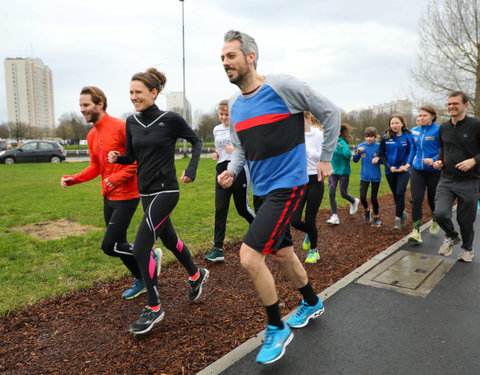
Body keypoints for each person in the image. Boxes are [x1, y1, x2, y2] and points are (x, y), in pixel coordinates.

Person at [218, 30, 340, 365]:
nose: (225, 62)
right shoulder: (234, 105)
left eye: (231, 56)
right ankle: (312, 302)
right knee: (284, 253)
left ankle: (276, 327)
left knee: (249, 256)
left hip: (287, 185)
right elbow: (241, 149)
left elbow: (331, 113)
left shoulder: (282, 86)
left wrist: (326, 156)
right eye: (222, 58)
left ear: (250, 56)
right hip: (262, 191)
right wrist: (232, 169)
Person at [107, 68, 209, 334]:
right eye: (130, 92)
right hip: (145, 193)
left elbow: (196, 142)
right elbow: (133, 156)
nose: (133, 97)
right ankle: (197, 274)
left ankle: (154, 308)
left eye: (138, 92)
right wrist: (119, 158)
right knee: (169, 239)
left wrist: (192, 168)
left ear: (154, 93)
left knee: (142, 248)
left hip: (166, 191)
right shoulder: (131, 122)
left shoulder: (170, 119)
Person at [60, 86, 161, 300]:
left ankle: (148, 254)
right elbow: (95, 167)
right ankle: (142, 279)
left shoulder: (121, 127)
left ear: (100, 104)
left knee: (110, 246)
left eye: (86, 105)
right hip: (108, 197)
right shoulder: (90, 135)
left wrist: (115, 179)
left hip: (127, 195)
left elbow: (139, 160)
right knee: (119, 243)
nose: (82, 109)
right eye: (80, 105)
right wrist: (74, 179)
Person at [204, 99, 255, 262]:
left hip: (238, 169)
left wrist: (236, 149)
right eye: (221, 114)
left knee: (242, 209)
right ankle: (218, 249)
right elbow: (219, 148)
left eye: (227, 114)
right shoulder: (216, 129)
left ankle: (263, 234)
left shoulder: (240, 127)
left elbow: (250, 148)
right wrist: (217, 154)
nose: (224, 117)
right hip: (221, 170)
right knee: (220, 210)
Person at [434, 91, 480, 262]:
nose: (451, 106)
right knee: (440, 213)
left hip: (469, 180)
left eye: (455, 103)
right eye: (449, 104)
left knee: (465, 220)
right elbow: (443, 148)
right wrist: (439, 161)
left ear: (465, 105)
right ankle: (452, 236)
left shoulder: (475, 125)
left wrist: (474, 161)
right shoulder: (443, 127)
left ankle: (467, 249)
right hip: (446, 179)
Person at [291, 111, 325, 264]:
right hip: (299, 180)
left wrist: (308, 151)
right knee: (295, 220)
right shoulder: (294, 134)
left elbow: (324, 156)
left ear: (308, 117)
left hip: (315, 180)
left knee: (310, 218)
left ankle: (314, 250)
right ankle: (309, 233)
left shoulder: (318, 135)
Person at [406, 106, 441, 243]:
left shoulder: (439, 130)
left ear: (432, 116)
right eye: (419, 115)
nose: (421, 118)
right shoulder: (414, 131)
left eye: (424, 115)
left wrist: (433, 159)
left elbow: (442, 149)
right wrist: (409, 163)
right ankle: (416, 232)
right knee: (416, 200)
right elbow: (413, 149)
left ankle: (435, 219)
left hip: (434, 172)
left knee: (432, 200)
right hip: (417, 171)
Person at [379, 114, 413, 230]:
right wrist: (390, 167)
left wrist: (406, 165)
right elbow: (382, 155)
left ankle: (397, 219)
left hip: (404, 169)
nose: (394, 125)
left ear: (402, 124)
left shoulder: (408, 136)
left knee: (399, 193)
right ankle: (402, 213)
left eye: (397, 123)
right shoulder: (385, 138)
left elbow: (412, 152)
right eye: (392, 123)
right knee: (396, 194)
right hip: (391, 171)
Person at [326, 123, 359, 225]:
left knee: (343, 194)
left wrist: (340, 150)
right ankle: (334, 216)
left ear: (339, 133)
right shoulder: (330, 142)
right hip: (333, 171)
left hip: (343, 172)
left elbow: (348, 155)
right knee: (331, 193)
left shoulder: (342, 143)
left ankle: (354, 201)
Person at [352, 126, 382, 227]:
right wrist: (357, 153)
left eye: (371, 137)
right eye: (367, 136)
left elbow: (385, 159)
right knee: (362, 197)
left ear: (375, 137)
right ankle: (367, 210)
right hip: (364, 176)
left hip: (376, 177)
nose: (368, 139)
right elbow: (355, 160)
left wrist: (378, 159)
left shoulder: (379, 146)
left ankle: (377, 217)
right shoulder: (361, 146)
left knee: (374, 198)